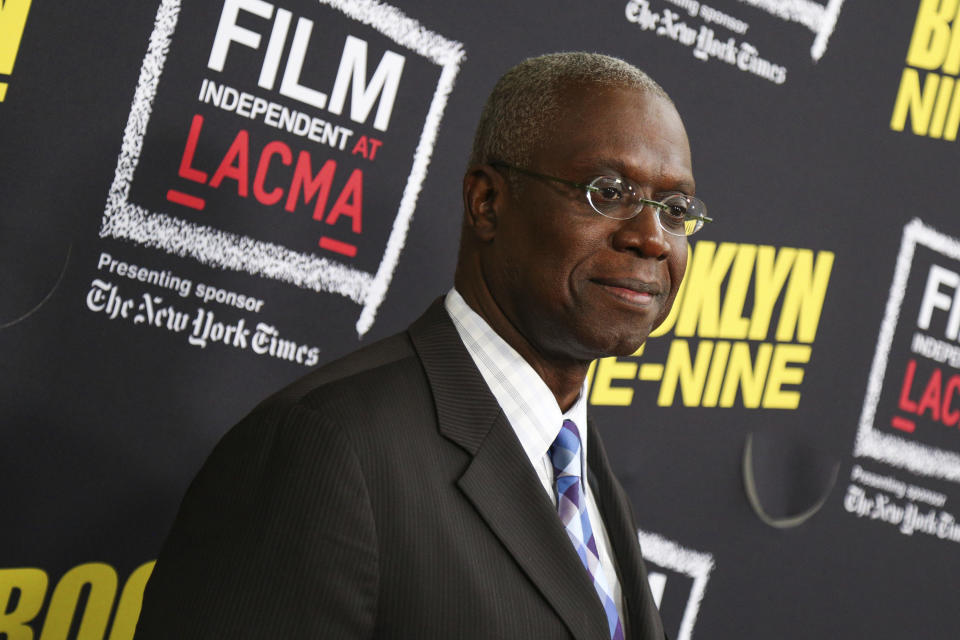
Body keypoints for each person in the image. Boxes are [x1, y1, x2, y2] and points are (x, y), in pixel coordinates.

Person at [135, 52, 709, 640]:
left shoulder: (577, 465)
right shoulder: (325, 450)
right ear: (487, 202)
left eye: (676, 210)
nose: (651, 238)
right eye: (607, 192)